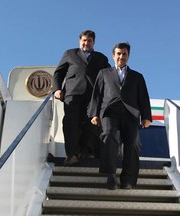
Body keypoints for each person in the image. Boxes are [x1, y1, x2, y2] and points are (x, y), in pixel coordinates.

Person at [88, 42, 152, 190]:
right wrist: (94, 114)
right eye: (118, 54)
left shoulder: (137, 76)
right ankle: (111, 175)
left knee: (133, 143)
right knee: (109, 136)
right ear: (113, 55)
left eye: (124, 54)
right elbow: (96, 95)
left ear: (128, 56)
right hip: (109, 112)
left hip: (131, 114)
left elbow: (143, 97)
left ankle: (127, 179)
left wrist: (146, 117)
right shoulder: (104, 73)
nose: (121, 56)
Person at [53, 30, 110, 166]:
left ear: (93, 42)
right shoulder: (70, 53)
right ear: (80, 41)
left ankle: (87, 152)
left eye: (89, 41)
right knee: (70, 124)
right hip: (72, 94)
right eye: (84, 40)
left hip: (93, 96)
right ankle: (71, 154)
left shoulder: (101, 58)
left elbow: (109, 76)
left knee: (92, 124)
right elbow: (58, 73)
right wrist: (57, 89)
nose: (86, 43)